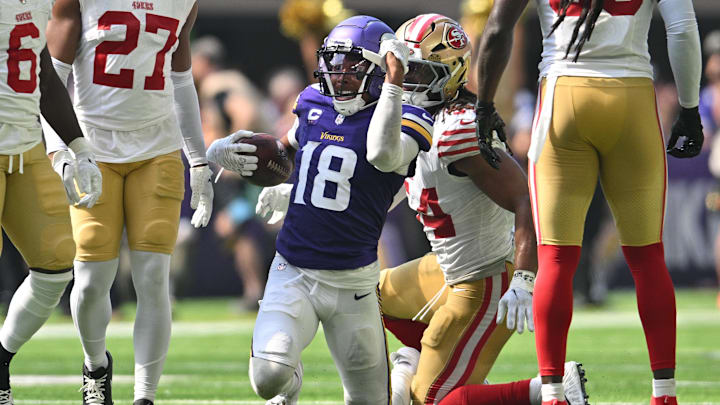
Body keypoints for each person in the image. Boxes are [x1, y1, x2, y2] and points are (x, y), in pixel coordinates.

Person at [474, 1, 703, 405]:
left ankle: (552, 394)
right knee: (648, 257)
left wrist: (485, 103)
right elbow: (682, 30)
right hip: (632, 100)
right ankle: (664, 395)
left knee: (557, 260)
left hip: (564, 96)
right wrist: (689, 109)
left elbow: (496, 29)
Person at [207, 15, 431, 405]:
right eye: (335, 63)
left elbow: (382, 153)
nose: (339, 75)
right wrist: (234, 154)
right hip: (294, 268)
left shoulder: (410, 116)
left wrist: (394, 86)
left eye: (353, 66)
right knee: (268, 378)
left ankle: (404, 372)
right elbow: (289, 152)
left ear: (382, 69)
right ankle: (290, 382)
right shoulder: (312, 101)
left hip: (354, 284)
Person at [377, 14, 586, 405]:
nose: (408, 82)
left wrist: (525, 278)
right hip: (445, 269)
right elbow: (395, 183)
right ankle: (416, 360)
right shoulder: (420, 118)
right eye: (406, 71)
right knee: (363, 297)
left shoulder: (458, 131)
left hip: (482, 281)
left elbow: (526, 197)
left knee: (434, 402)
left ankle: (545, 391)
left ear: (449, 74)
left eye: (420, 73)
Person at [44, 1, 213, 404]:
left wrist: (199, 159)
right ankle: (95, 365)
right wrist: (61, 151)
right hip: (92, 148)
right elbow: (51, 78)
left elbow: (182, 78)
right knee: (88, 283)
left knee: (154, 277)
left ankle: (144, 395)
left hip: (158, 148)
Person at [0, 0, 104, 403]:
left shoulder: (40, 2)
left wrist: (79, 147)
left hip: (25, 145)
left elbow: (41, 70)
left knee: (57, 264)